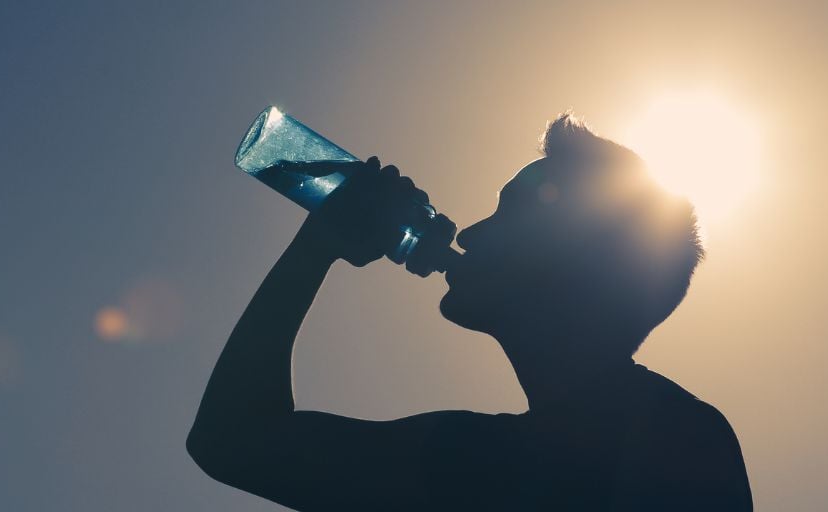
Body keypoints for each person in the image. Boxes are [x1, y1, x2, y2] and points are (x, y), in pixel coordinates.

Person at [187, 113, 753, 511]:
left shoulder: (673, 441)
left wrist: (315, 250)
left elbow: (232, 440)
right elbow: (229, 442)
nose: (471, 232)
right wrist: (317, 245)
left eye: (509, 214)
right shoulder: (473, 456)